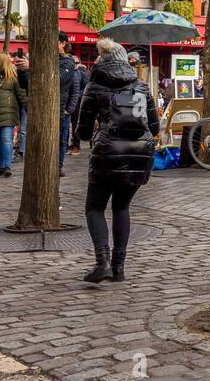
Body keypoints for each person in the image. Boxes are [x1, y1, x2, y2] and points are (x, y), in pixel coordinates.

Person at [77, 37, 160, 284]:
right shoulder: (142, 87)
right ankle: (119, 267)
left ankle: (101, 262)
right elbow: (154, 125)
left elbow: (82, 130)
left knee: (94, 207)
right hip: (139, 152)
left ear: (102, 61)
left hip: (107, 151)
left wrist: (90, 133)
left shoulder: (94, 87)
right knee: (122, 208)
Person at [59, 43, 79, 175]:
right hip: (60, 108)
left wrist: (69, 109)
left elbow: (75, 92)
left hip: (64, 111)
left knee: (62, 139)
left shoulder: (72, 72)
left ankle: (59, 165)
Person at [12, 49, 30, 157]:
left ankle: (22, 150)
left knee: (23, 129)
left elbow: (24, 87)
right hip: (15, 103)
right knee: (17, 129)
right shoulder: (11, 71)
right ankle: (17, 148)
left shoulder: (27, 70)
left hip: (24, 104)